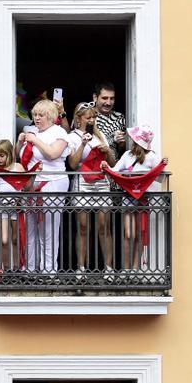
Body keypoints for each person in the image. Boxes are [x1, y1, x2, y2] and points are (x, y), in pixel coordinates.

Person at [17, 100, 73, 275]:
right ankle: (31, 269)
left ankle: (49, 270)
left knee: (48, 229)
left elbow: (52, 153)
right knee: (31, 228)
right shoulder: (32, 132)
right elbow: (20, 159)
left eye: (40, 115)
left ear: (50, 116)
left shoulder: (59, 132)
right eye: (35, 115)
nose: (37, 118)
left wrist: (35, 140)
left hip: (53, 182)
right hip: (31, 186)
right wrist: (20, 143)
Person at [67, 104, 115, 277]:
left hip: (101, 182)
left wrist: (107, 150)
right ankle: (81, 267)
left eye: (93, 117)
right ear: (79, 118)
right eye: (88, 117)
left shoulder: (100, 135)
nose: (91, 120)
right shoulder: (71, 137)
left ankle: (108, 268)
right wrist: (83, 144)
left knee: (104, 226)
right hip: (82, 182)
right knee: (83, 227)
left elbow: (112, 163)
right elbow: (72, 164)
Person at [112, 125, 163, 274]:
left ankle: (135, 268)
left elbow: (159, 177)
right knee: (129, 234)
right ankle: (126, 268)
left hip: (143, 198)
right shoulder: (127, 155)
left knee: (140, 233)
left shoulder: (152, 157)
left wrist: (162, 166)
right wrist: (106, 167)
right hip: (128, 198)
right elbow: (116, 170)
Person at [0, 139, 30, 274]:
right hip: (1, 208)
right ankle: (6, 269)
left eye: (2, 155)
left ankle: (17, 269)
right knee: (4, 240)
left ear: (9, 155)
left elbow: (27, 187)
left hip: (16, 207)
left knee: (16, 239)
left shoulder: (18, 167)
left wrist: (32, 176)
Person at [89, 82, 127, 164]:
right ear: (95, 97)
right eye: (105, 98)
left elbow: (123, 151)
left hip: (112, 168)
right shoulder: (85, 114)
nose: (108, 103)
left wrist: (122, 144)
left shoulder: (120, 118)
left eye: (112, 98)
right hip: (89, 167)